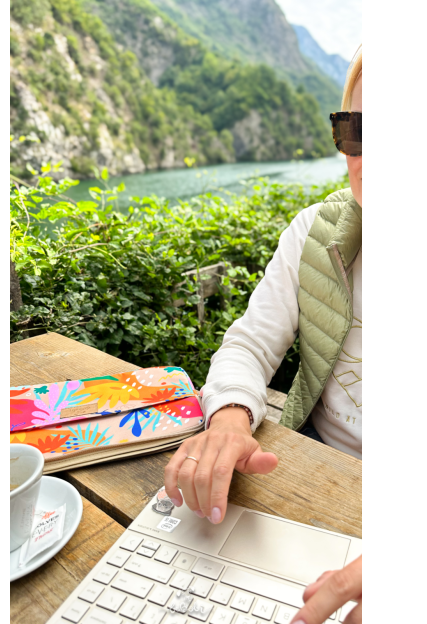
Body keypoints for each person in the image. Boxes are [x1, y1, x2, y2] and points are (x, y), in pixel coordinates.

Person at [164, 46, 363, 624]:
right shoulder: (315, 234)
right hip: (310, 478)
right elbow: (249, 345)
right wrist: (229, 418)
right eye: (357, 132)